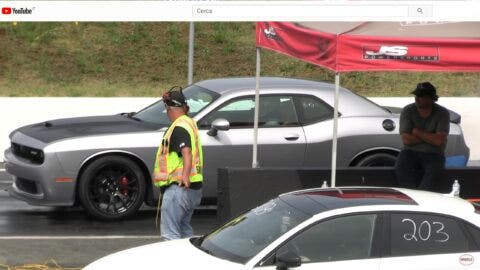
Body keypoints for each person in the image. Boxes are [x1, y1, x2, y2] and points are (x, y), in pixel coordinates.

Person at [153, 86, 203, 240]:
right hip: (193, 190)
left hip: (179, 189)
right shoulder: (189, 123)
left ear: (169, 108)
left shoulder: (179, 127)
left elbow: (186, 152)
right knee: (184, 230)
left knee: (170, 235)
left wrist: (185, 176)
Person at [394, 82, 450, 190]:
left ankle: (423, 198)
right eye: (416, 95)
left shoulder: (442, 113)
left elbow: (438, 141)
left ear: (431, 98)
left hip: (434, 154)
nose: (417, 98)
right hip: (410, 152)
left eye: (421, 96)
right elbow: (406, 140)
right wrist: (430, 136)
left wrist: (417, 132)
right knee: (401, 168)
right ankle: (410, 196)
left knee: (433, 173)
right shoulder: (408, 110)